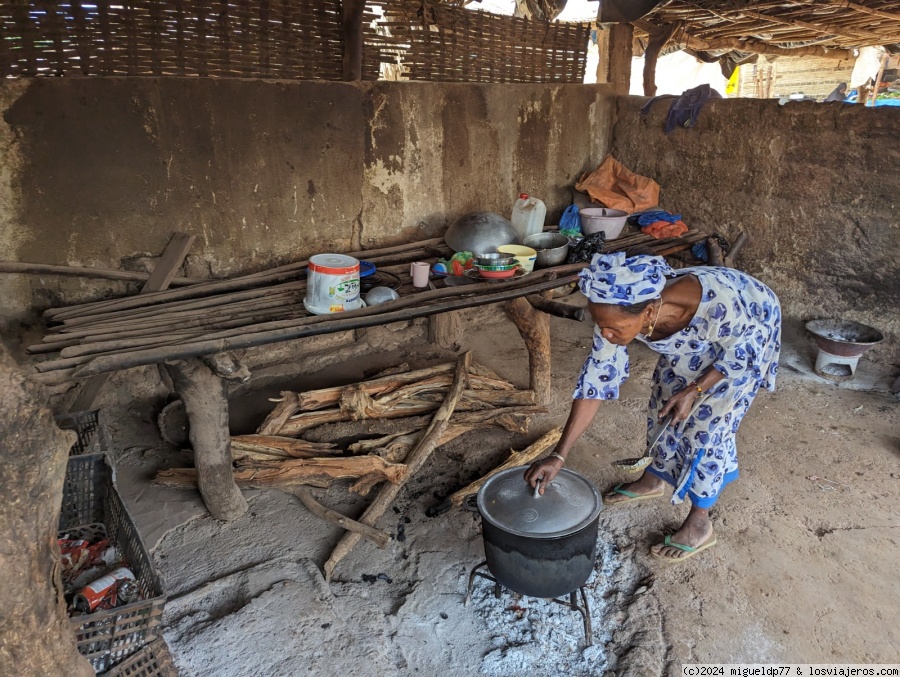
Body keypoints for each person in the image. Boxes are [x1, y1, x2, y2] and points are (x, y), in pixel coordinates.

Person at [524, 252, 781, 563]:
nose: (605, 334)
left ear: (648, 312)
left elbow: (743, 353)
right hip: (702, 336)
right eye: (600, 325)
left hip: (748, 328)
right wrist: (559, 455)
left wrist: (695, 389)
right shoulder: (614, 309)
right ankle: (654, 477)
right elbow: (595, 383)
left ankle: (700, 524)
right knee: (663, 401)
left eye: (613, 329)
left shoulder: (716, 303)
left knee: (707, 430)